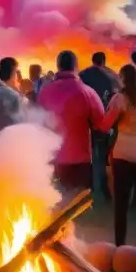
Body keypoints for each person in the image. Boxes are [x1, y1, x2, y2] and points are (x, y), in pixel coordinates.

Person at [99, 64, 136, 248]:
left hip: (124, 154)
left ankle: (121, 248)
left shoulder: (121, 99)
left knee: (121, 207)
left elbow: (104, 125)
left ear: (122, 79)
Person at [38, 50, 106, 193]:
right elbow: (101, 124)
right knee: (80, 206)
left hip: (52, 159)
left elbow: (37, 123)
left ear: (58, 66)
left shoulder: (44, 92)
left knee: (56, 205)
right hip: (80, 161)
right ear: (76, 66)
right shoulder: (87, 92)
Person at [80, 51, 121, 200]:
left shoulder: (83, 75)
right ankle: (105, 189)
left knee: (88, 155)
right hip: (105, 122)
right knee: (104, 157)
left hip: (86, 122)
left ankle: (88, 189)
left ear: (92, 60)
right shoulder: (112, 76)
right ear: (104, 61)